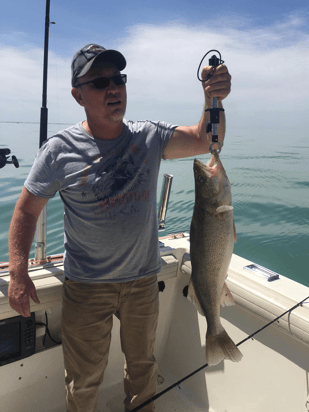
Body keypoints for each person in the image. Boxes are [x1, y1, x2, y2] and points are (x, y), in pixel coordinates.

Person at [8, 43, 231, 412]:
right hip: (86, 286)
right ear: (78, 95)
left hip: (143, 281)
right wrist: (18, 269)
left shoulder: (148, 136)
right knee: (83, 382)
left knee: (144, 371)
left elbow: (207, 140)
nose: (113, 88)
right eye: (99, 83)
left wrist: (213, 98)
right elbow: (26, 210)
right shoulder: (58, 150)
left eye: (118, 79)